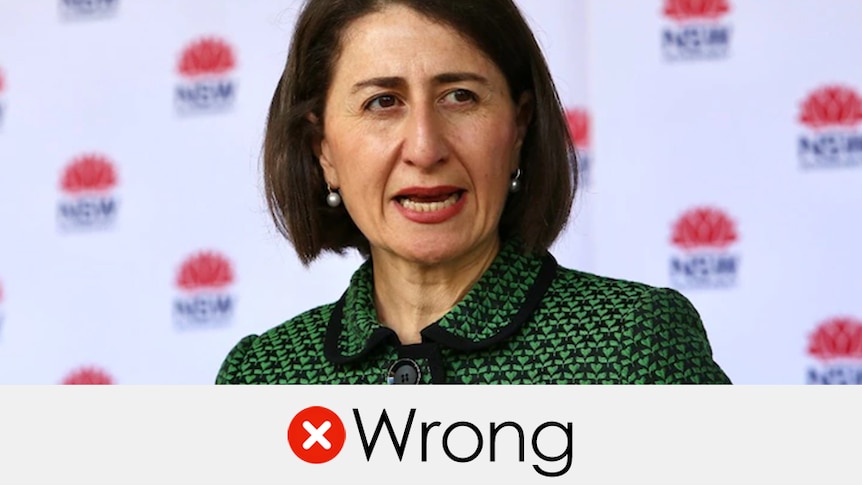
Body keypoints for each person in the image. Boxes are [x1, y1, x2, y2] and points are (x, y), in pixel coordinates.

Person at [216, 0, 731, 384]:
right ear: (323, 149)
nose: (425, 146)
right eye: (382, 102)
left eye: (460, 97)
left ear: (520, 129)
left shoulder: (638, 344)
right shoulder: (261, 377)